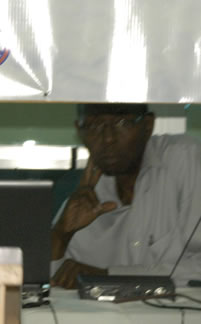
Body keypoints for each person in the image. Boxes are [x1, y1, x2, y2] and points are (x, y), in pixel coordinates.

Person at [50, 103, 201, 288]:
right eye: (93, 125)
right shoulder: (87, 198)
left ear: (148, 126)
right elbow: (47, 282)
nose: (108, 138)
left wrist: (109, 277)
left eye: (122, 123)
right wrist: (60, 234)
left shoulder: (186, 160)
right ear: (79, 131)